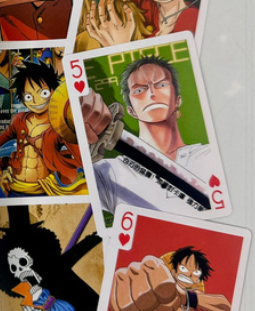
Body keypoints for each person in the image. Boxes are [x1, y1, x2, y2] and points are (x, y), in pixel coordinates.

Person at [80, 56, 213, 216]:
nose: (151, 93)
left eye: (161, 85)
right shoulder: (108, 173)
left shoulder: (211, 156)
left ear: (177, 100)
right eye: (139, 90)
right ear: (131, 111)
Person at [0, 60, 86, 196]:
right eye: (28, 96)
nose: (36, 101)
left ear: (54, 90)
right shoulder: (19, 120)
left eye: (43, 93)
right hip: (14, 186)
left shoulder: (60, 124)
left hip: (44, 188)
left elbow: (82, 157)